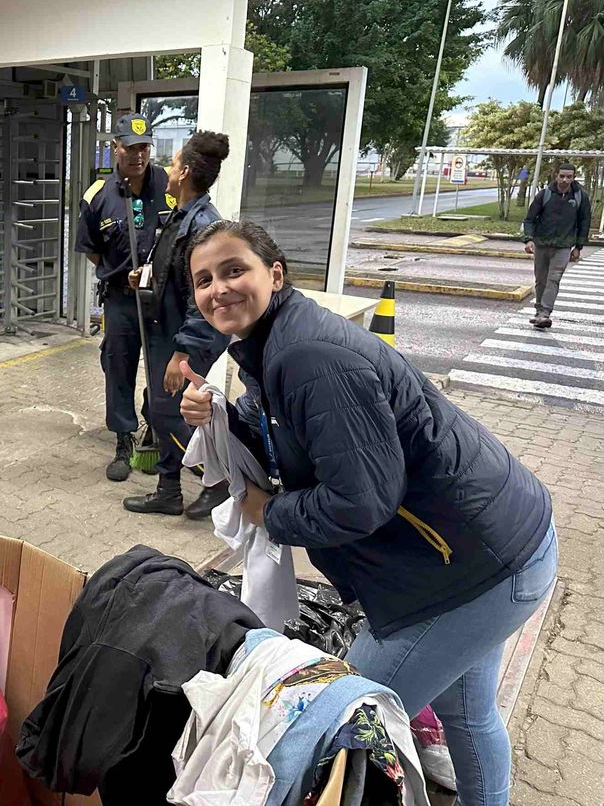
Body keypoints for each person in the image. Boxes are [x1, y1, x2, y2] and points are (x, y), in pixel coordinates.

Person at [179, 220, 557, 806]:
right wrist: (223, 417)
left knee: (337, 715)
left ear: (274, 274)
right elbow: (297, 439)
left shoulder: (308, 355)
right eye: (204, 280)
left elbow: (361, 501)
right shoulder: (270, 342)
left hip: (477, 565)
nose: (219, 289)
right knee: (467, 710)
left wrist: (269, 513)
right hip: (489, 544)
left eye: (235, 270)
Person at [123, 131, 232, 518]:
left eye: (172, 163)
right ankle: (168, 489)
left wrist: (181, 353)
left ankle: (221, 483)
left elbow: (206, 297)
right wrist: (145, 276)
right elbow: (175, 271)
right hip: (165, 330)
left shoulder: (204, 226)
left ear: (184, 171)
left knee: (170, 412)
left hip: (183, 339)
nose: (167, 169)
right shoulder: (181, 216)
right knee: (160, 409)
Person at [75, 113, 172, 482]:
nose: (138, 155)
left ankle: (154, 424)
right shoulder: (97, 196)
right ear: (116, 147)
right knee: (119, 368)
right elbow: (92, 249)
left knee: (163, 370)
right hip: (121, 300)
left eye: (144, 147)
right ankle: (122, 439)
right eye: (131, 148)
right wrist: (118, 275)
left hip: (162, 299)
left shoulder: (168, 184)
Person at [523, 162, 593, 329]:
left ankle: (545, 313)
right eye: (562, 176)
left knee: (553, 278)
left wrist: (578, 247)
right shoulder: (545, 194)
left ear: (573, 177)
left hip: (563, 245)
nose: (565, 180)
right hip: (542, 243)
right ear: (556, 175)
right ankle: (539, 310)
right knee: (541, 280)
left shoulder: (580, 197)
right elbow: (530, 219)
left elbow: (584, 223)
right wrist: (528, 239)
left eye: (569, 177)